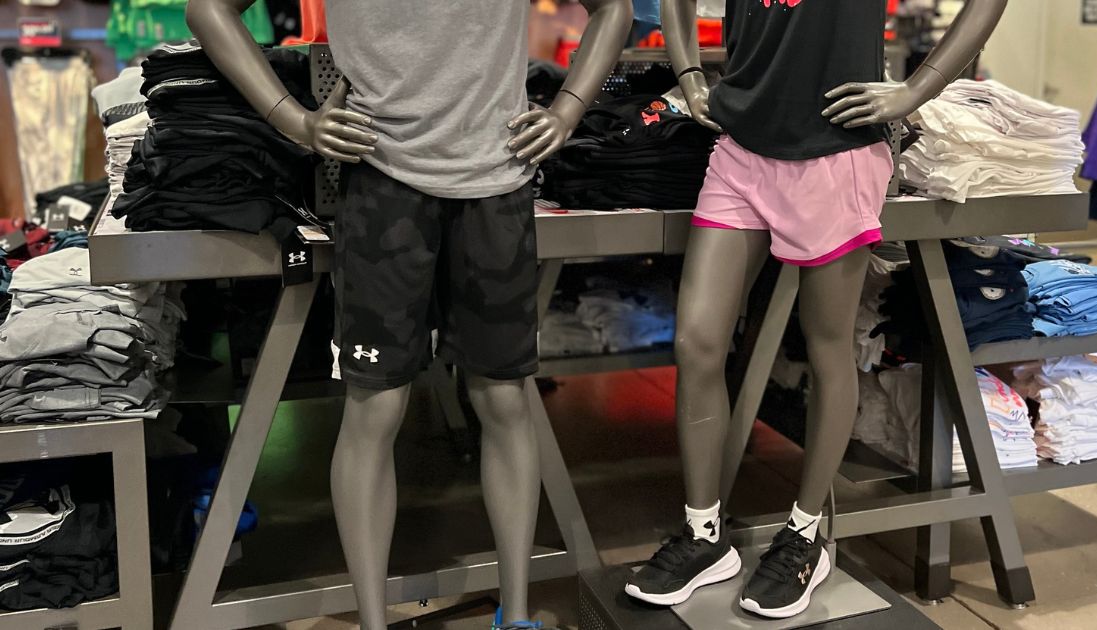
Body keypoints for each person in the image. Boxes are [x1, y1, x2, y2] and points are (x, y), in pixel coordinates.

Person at [184, 1, 633, 628]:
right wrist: (293, 120)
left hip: (497, 182)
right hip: (383, 184)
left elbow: (614, 8)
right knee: (375, 407)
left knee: (504, 399)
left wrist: (568, 110)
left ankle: (517, 614)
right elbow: (208, 8)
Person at [625, 0, 1007, 618]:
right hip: (741, 149)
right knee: (697, 341)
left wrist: (918, 89)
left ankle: (805, 534)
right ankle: (703, 534)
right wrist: (689, 74)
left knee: (827, 346)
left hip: (837, 152)